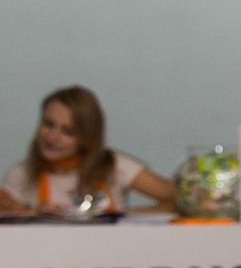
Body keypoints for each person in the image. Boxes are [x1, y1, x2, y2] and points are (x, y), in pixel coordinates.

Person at [0, 86, 172, 215]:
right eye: (48, 124)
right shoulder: (21, 174)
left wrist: (119, 216)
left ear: (87, 137)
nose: (52, 137)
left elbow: (181, 201)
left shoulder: (114, 164)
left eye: (68, 131)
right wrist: (29, 213)